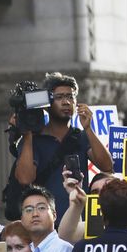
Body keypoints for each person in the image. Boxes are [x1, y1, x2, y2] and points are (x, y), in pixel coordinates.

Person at [12, 72, 113, 222]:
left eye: (70, 97)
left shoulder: (80, 136)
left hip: (81, 221)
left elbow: (107, 166)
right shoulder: (34, 140)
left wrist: (88, 129)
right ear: (46, 103)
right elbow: (25, 179)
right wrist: (27, 134)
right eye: (59, 97)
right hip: (47, 225)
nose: (66, 102)